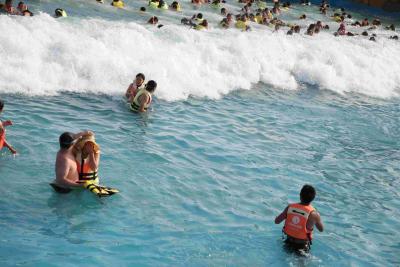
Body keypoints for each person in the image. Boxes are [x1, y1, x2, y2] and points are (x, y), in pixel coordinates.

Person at [275, 185, 324, 250]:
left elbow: (277, 221)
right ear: (313, 198)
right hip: (302, 246)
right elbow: (321, 229)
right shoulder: (314, 214)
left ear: (300, 195)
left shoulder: (290, 207)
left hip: (287, 242)